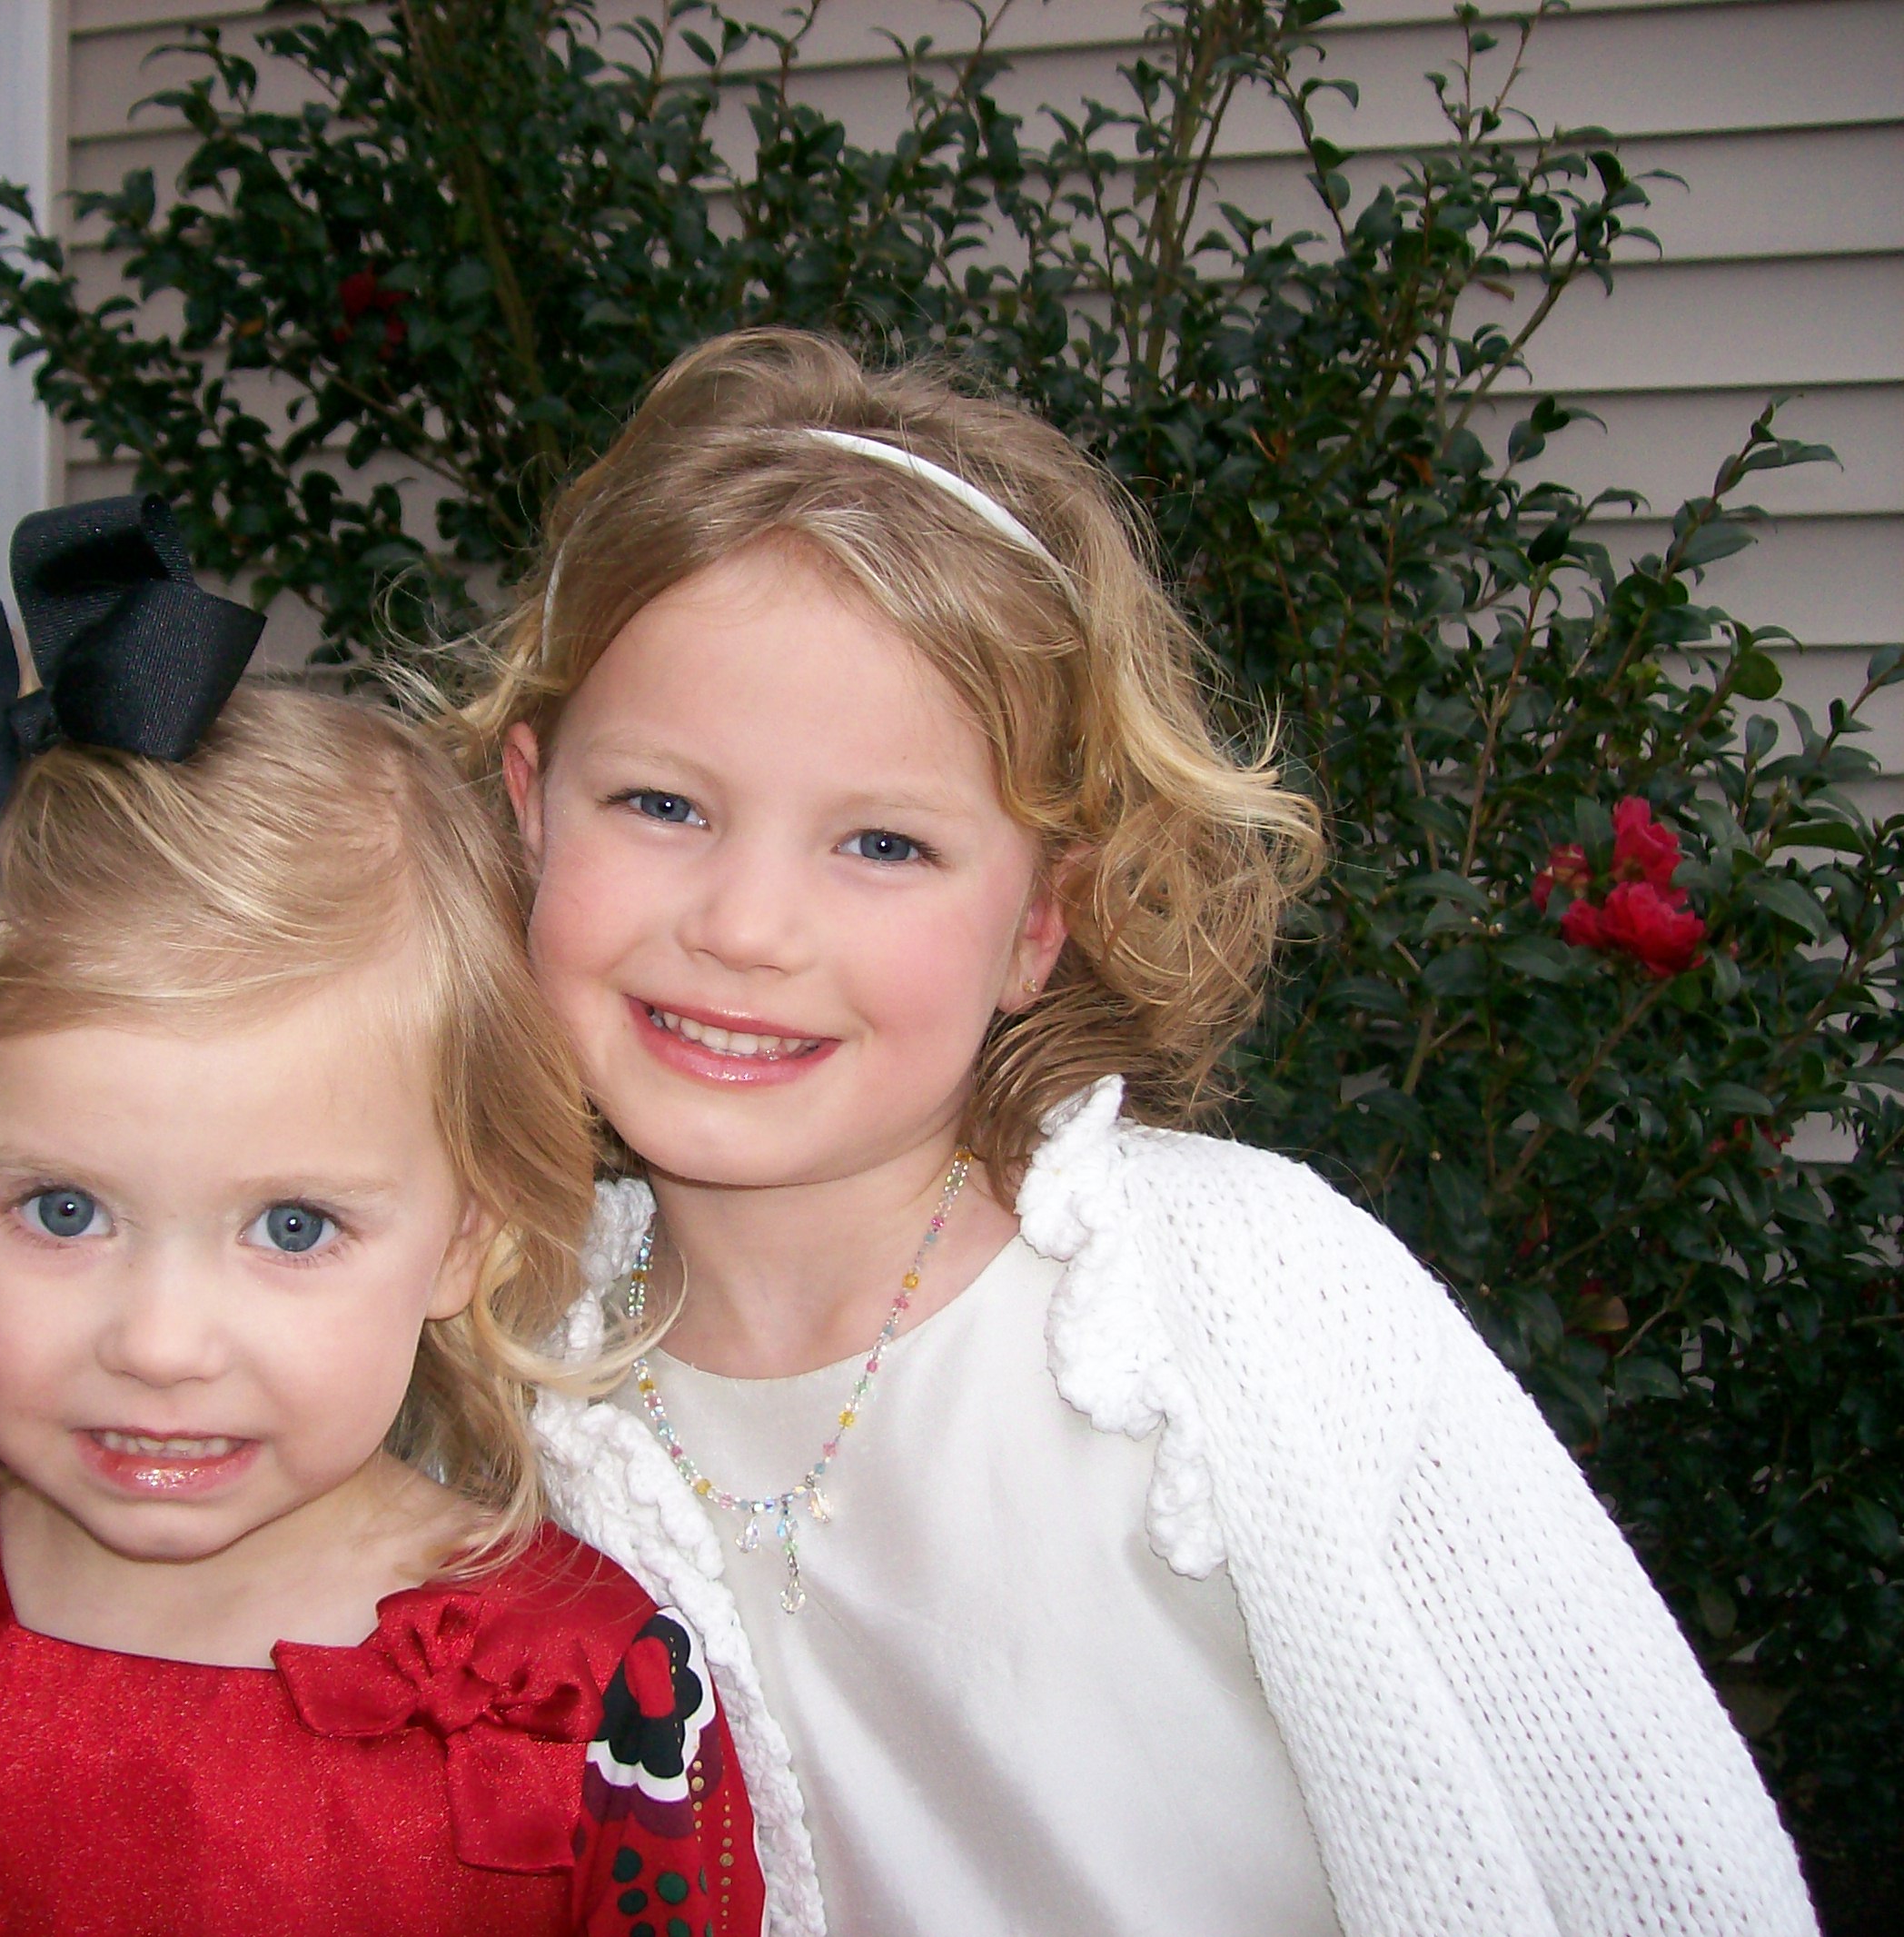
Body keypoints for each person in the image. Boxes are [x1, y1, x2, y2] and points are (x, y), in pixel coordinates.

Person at [455, 332, 1817, 1937]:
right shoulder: (480, 1359)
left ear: (1042, 921)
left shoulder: (1242, 1300)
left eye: (883, 844)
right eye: (664, 806)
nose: (747, 926)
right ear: (530, 809)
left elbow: (1663, 1863)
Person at [0, 497, 769, 1937]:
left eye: (292, 1228)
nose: (161, 1345)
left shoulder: (586, 1691)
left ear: (467, 1230)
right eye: (65, 1209)